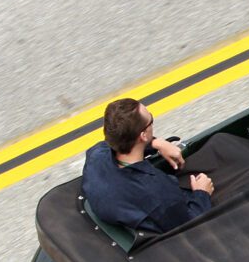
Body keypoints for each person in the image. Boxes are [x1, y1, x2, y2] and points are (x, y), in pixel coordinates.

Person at [81, 99, 214, 232]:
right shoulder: (157, 191)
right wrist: (202, 193)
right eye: (151, 119)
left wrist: (155, 143)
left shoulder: (95, 156)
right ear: (143, 135)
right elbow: (191, 224)